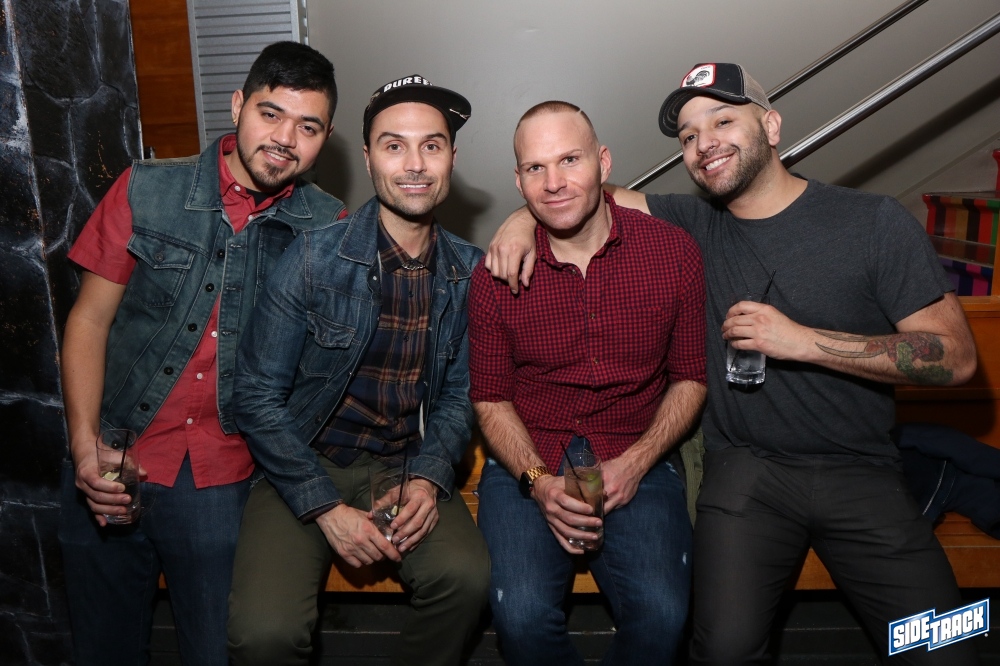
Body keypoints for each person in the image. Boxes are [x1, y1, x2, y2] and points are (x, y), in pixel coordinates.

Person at [485, 63, 980, 665]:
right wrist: (518, 221)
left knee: (945, 647)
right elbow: (576, 195)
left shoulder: (872, 220)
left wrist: (804, 341)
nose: (705, 143)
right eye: (689, 135)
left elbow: (955, 357)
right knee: (720, 649)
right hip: (747, 474)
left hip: (863, 472)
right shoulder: (693, 224)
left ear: (771, 126)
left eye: (723, 121)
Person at [58, 41, 344, 666]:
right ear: (238, 105)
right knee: (102, 650)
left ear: (326, 138)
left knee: (217, 652)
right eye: (270, 113)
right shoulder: (146, 188)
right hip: (111, 454)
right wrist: (83, 447)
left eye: (308, 126)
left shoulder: (328, 227)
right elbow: (88, 321)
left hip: (223, 475)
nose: (285, 139)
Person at [227, 74, 490, 666]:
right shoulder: (313, 258)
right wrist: (322, 505)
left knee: (465, 578)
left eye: (432, 145)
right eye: (394, 146)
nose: (415, 164)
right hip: (304, 460)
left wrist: (429, 477)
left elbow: (459, 396)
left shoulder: (471, 274)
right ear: (369, 158)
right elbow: (257, 396)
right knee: (264, 635)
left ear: (452, 158)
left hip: (405, 463)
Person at [469, 101, 706, 665]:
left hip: (635, 447)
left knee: (662, 615)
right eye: (536, 167)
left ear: (603, 162)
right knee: (520, 617)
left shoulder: (672, 252)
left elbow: (691, 378)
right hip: (531, 452)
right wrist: (537, 482)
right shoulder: (495, 275)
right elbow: (491, 398)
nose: (553, 183)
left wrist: (639, 462)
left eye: (569, 160)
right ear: (519, 181)